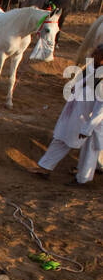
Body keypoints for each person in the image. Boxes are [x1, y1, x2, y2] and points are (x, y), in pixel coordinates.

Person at [36, 45, 103, 185]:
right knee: (61, 138)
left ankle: (83, 180)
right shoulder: (90, 69)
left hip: (92, 123)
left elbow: (100, 110)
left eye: (96, 52)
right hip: (74, 115)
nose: (92, 53)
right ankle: (44, 168)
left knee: (90, 152)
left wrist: (87, 128)